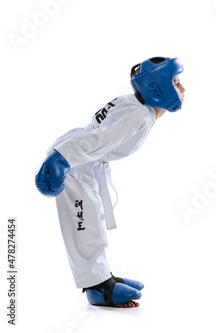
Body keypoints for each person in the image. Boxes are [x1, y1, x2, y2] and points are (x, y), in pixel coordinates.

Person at [35, 56, 185, 308]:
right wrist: (60, 160)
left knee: (94, 221)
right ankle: (97, 288)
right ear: (157, 88)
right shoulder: (139, 116)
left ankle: (102, 275)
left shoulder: (138, 107)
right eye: (176, 82)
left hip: (84, 163)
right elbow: (97, 139)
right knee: (85, 227)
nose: (182, 90)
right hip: (74, 165)